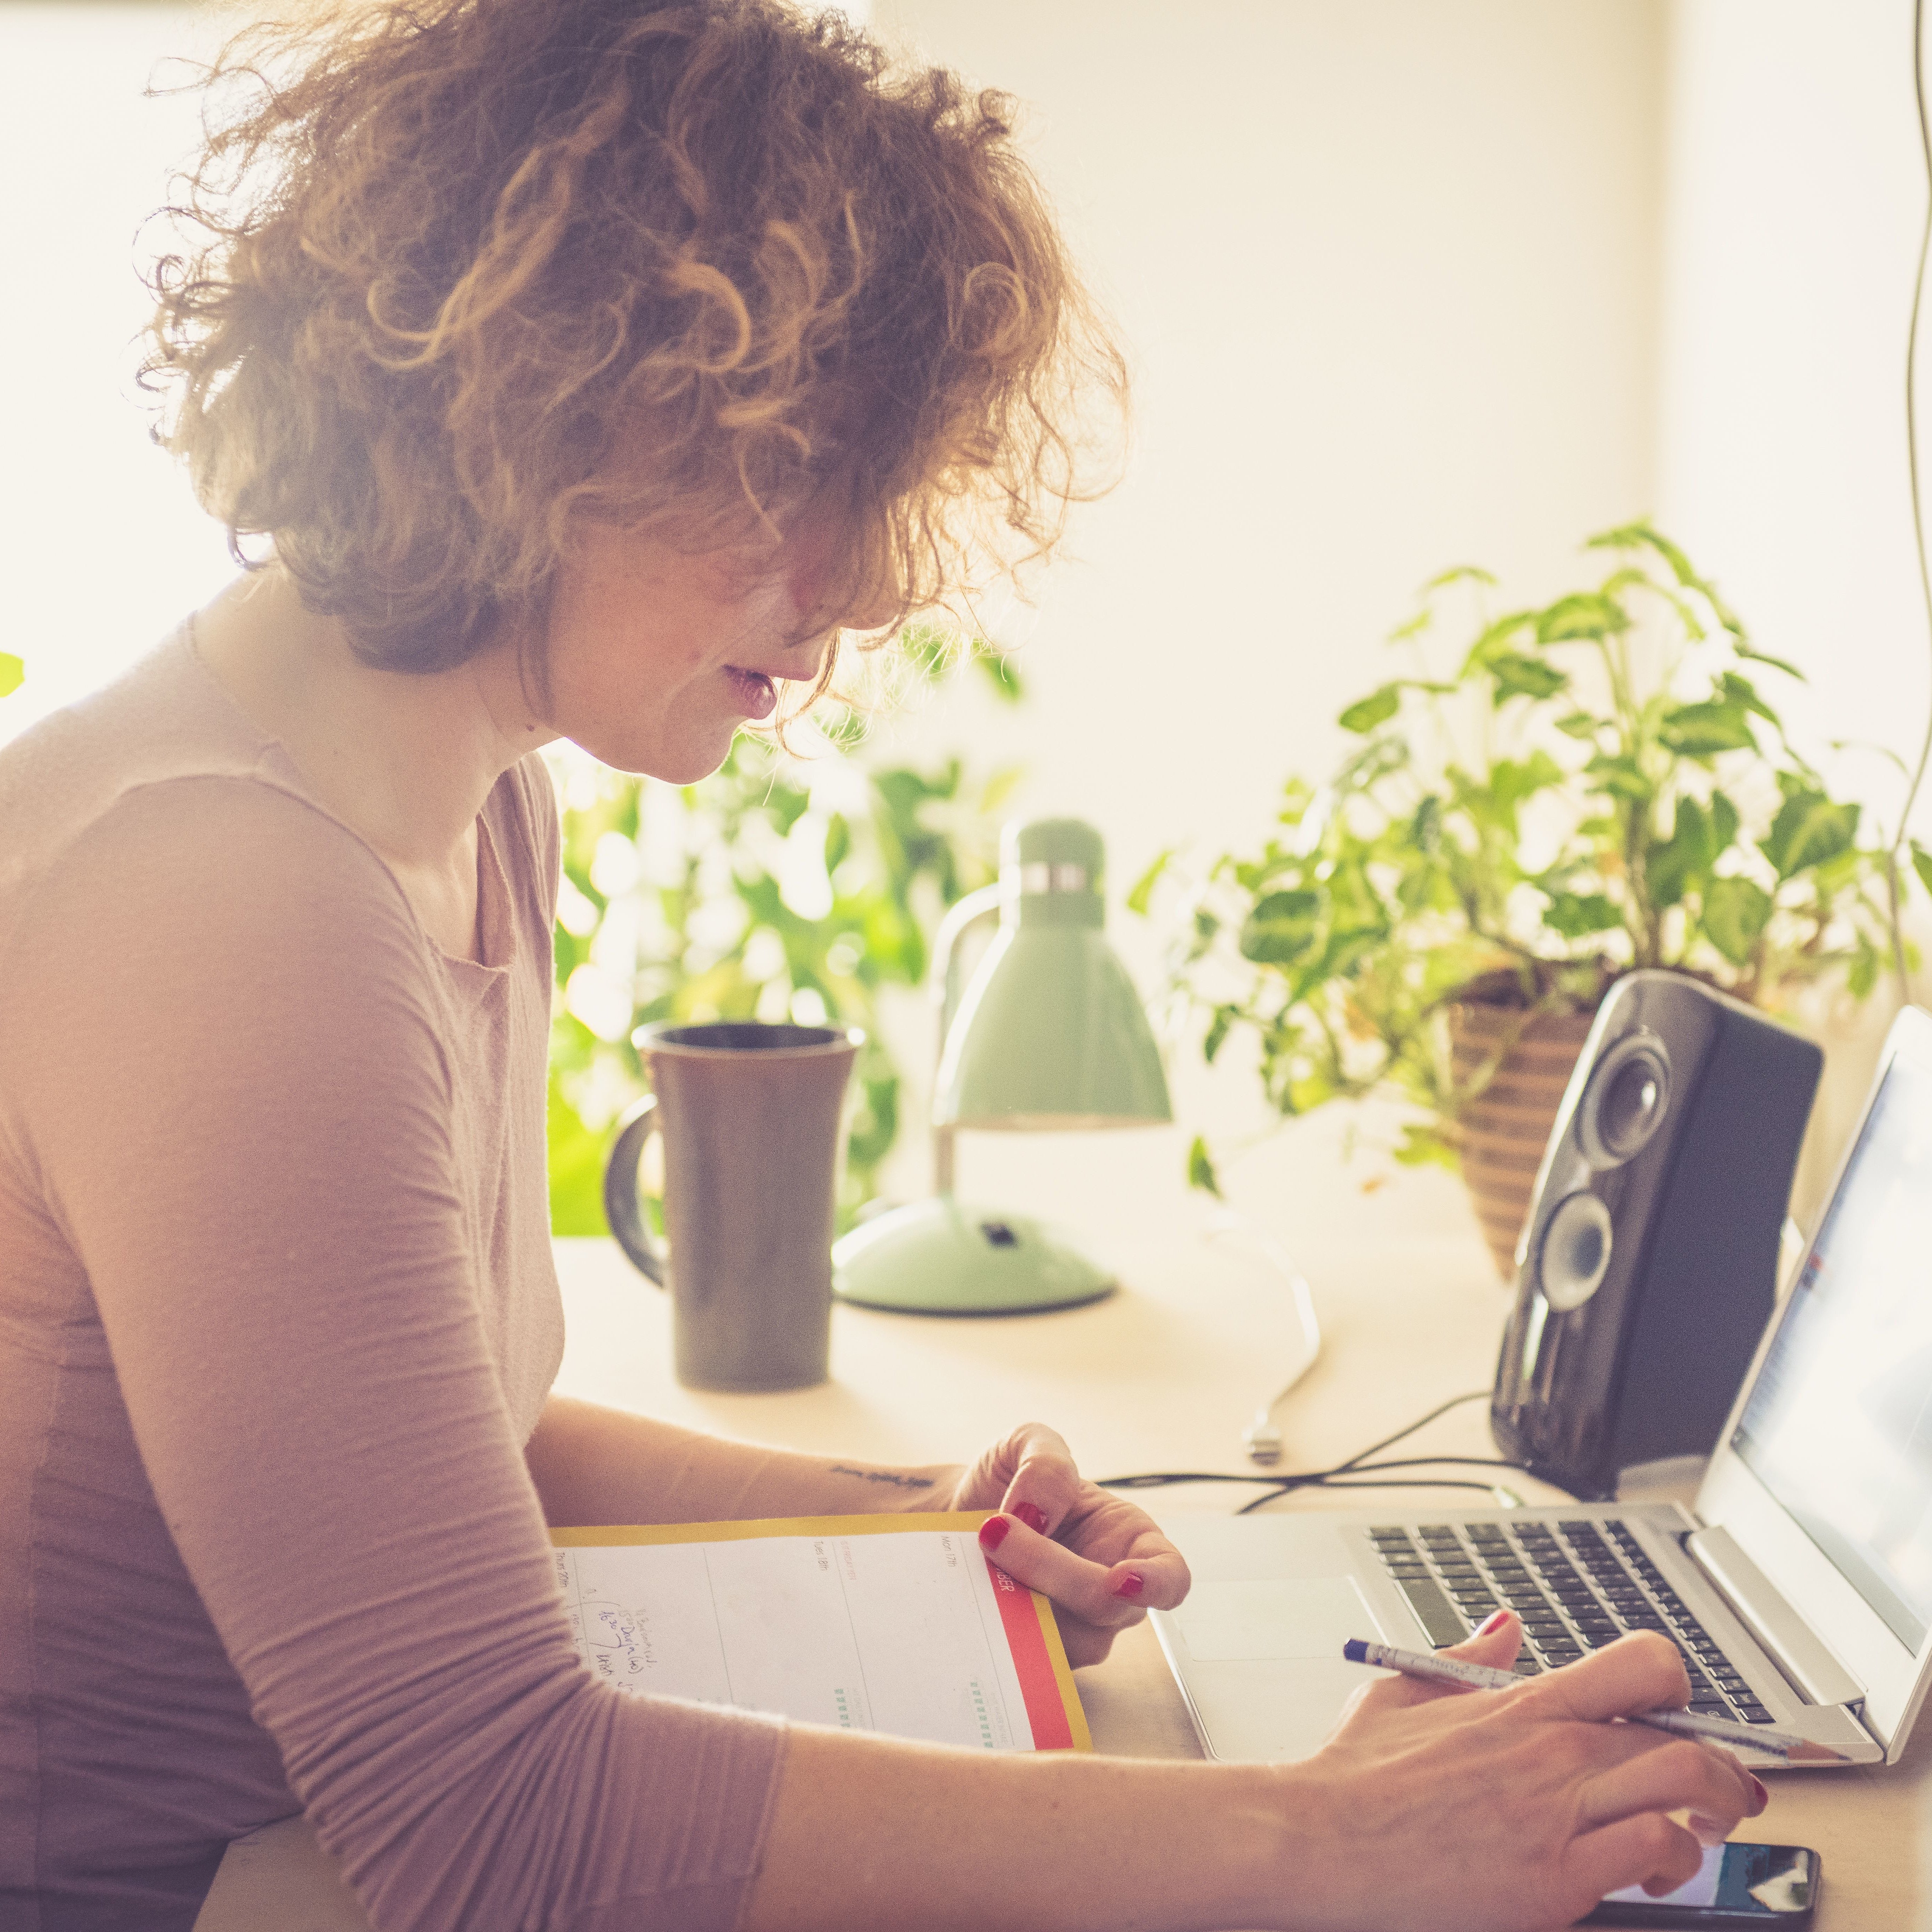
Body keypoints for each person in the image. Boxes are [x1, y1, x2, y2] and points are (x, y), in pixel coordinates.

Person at [0, 3, 1763, 1928]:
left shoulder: (470, 800)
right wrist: (1317, 1842)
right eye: (809, 464)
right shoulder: (225, 904)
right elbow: (497, 1829)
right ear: (548, 401)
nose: (875, 584)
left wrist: (907, 1528)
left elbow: (435, 1460)